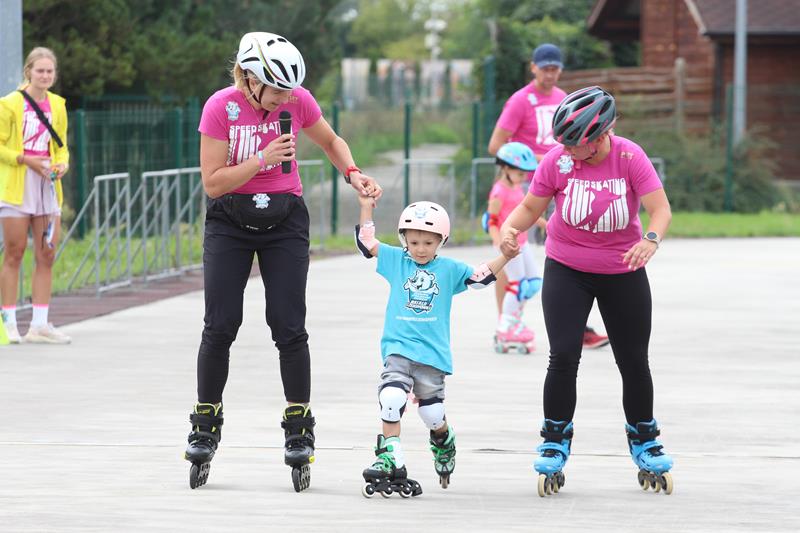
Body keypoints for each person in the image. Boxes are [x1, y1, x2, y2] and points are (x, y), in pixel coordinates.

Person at [183, 32, 382, 492]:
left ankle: (298, 424)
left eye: (288, 91)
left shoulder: (297, 102)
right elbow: (213, 184)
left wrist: (353, 174)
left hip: (285, 219)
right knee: (220, 324)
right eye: (275, 90)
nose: (283, 100)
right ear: (249, 79)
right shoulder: (221, 108)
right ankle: (205, 422)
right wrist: (261, 158)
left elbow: (331, 141)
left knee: (289, 325)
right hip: (229, 220)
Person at [499, 86, 675, 497]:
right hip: (567, 269)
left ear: (602, 135)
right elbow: (530, 207)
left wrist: (650, 238)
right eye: (563, 144)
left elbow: (660, 208)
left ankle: (645, 439)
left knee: (633, 359)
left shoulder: (629, 157)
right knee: (563, 355)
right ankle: (554, 440)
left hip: (622, 269)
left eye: (575, 144)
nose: (568, 152)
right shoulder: (556, 162)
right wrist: (510, 228)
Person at [355, 197, 515, 497]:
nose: (420, 249)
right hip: (399, 348)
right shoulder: (395, 261)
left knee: (432, 415)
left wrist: (504, 256)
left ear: (440, 241)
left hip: (433, 354)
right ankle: (391, 455)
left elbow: (480, 278)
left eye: (428, 242)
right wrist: (366, 206)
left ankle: (444, 441)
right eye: (414, 241)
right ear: (404, 239)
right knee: (391, 397)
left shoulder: (449, 269)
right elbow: (366, 243)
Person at [487, 43, 609, 350]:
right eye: (545, 68)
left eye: (556, 68)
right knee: (513, 255)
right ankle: (507, 323)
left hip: (564, 182)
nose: (551, 74)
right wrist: (536, 161)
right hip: (526, 184)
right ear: (533, 67)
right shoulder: (520, 100)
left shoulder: (562, 100)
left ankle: (577, 328)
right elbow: (495, 146)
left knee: (565, 252)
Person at [0, 47, 71, 344]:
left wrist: (62, 164)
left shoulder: (58, 105)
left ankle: (40, 323)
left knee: (47, 253)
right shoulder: (10, 104)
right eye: (39, 70)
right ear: (28, 71)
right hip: (18, 184)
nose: (44, 75)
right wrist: (24, 160)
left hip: (46, 185)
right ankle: (9, 322)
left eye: (49, 71)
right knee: (14, 251)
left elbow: (61, 145)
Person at [486, 142, 546, 354]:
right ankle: (506, 327)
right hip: (508, 245)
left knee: (533, 283)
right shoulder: (498, 192)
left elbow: (526, 211)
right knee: (517, 285)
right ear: (505, 168)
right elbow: (491, 222)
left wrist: (548, 225)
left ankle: (514, 322)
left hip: (522, 242)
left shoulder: (517, 188)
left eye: (525, 175)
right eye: (520, 173)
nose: (524, 178)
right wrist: (499, 244)